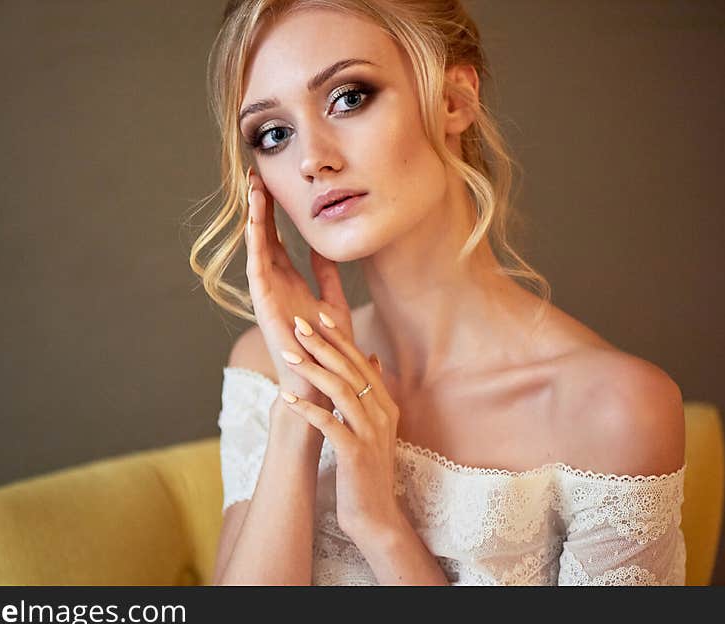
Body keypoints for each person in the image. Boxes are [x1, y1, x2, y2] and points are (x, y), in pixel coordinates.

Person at [189, 0, 687, 585]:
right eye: (273, 134)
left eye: (349, 97)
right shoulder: (266, 369)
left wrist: (382, 527)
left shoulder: (614, 412)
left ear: (454, 100)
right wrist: (304, 398)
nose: (311, 161)